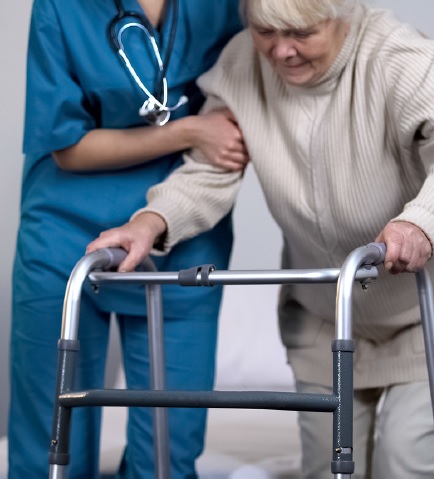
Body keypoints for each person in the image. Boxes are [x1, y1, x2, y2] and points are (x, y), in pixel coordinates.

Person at [87, 0, 434, 477]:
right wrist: (150, 221)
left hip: (420, 319)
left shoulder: (400, 60)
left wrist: (419, 221)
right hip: (326, 323)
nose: (282, 51)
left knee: (404, 459)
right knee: (329, 468)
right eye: (266, 31)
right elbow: (212, 168)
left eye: (300, 32)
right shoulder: (242, 64)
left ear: (344, 13)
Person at [9, 0, 247, 478]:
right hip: (66, 232)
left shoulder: (224, 6)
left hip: (181, 233)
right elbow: (66, 147)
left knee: (166, 455)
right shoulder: (60, 7)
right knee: (52, 447)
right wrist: (189, 131)